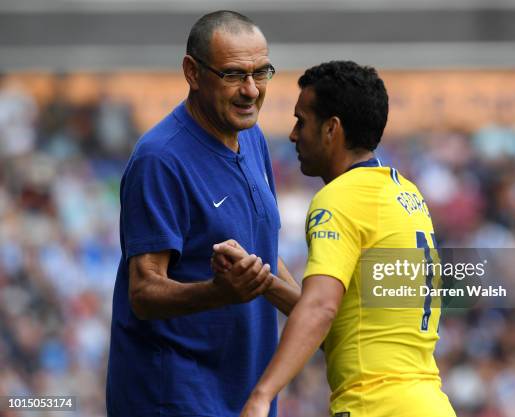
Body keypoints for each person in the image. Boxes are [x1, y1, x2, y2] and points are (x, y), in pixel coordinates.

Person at [216, 61, 456, 417]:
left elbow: (320, 309)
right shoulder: (404, 193)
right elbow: (341, 325)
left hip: (375, 405)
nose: (294, 134)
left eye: (302, 121)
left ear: (332, 129)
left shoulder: (340, 197)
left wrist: (262, 395)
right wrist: (264, 279)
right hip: (427, 403)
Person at [106, 11, 299, 417]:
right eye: (232, 75)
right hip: (175, 396)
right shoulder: (160, 159)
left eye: (261, 73)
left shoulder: (253, 138)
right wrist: (218, 292)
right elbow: (143, 293)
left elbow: (260, 253)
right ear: (192, 73)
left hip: (246, 393)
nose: (251, 90)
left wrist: (312, 313)